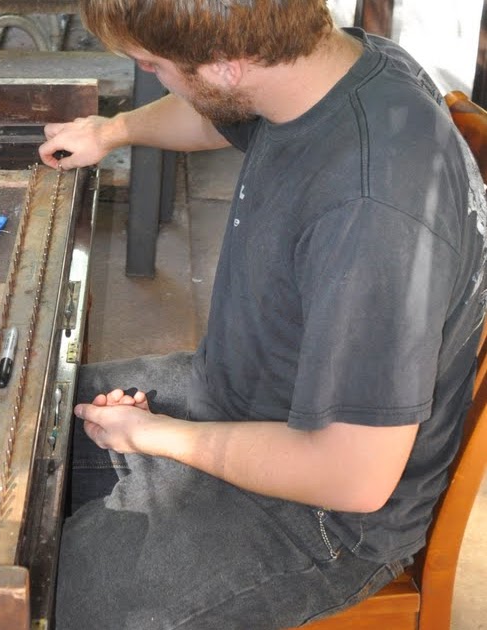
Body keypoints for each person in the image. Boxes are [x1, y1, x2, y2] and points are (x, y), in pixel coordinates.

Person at [37, 1, 487, 628]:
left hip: (321, 514)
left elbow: (351, 477)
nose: (149, 75)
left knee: (41, 601)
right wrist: (112, 131)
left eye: (153, 65)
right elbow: (218, 116)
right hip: (237, 396)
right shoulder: (332, 67)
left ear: (227, 65)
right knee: (25, 419)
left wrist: (160, 437)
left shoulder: (372, 211)